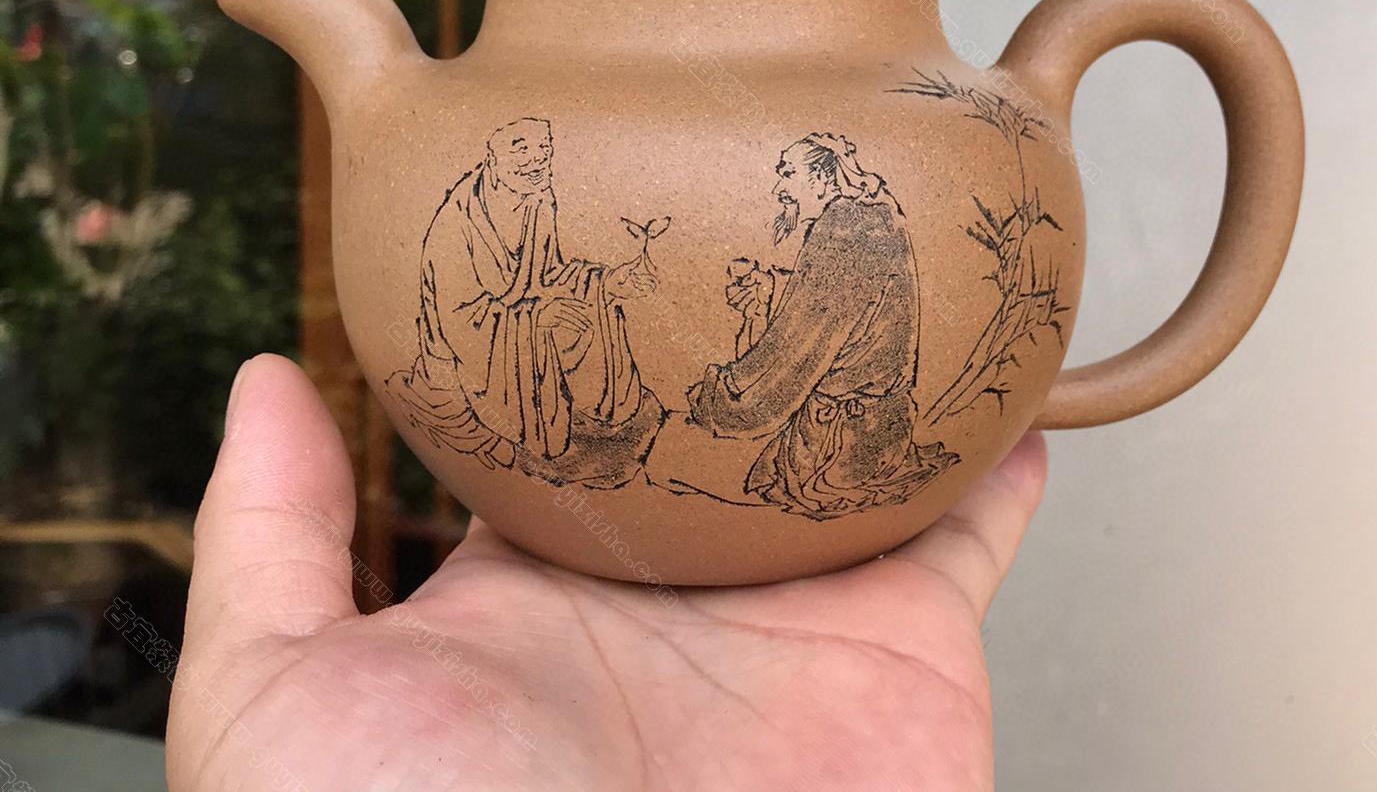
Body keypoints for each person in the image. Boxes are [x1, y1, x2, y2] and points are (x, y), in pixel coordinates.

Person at [167, 355, 1047, 790]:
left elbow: (789, 354)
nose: (784, 202)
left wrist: (721, 398)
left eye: (789, 186)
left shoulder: (850, 234)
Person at [687, 133, 959, 519]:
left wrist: (727, 396)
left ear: (820, 177)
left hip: (836, 450)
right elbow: (845, 306)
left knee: (680, 469)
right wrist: (771, 286)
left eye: (788, 174)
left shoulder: (844, 228)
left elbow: (803, 344)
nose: (779, 188)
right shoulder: (872, 216)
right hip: (881, 433)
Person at [386, 118, 662, 489]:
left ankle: (600, 414)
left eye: (543, 148)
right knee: (543, 328)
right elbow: (461, 320)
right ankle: (542, 436)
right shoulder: (458, 224)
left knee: (593, 308)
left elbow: (548, 276)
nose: (536, 160)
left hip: (519, 324)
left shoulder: (537, 200)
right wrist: (534, 319)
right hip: (472, 350)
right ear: (493, 159)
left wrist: (608, 282)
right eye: (521, 149)